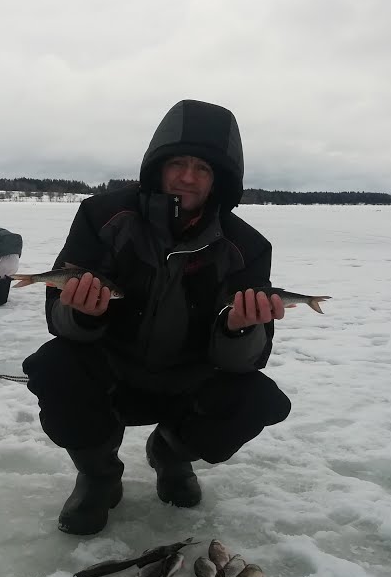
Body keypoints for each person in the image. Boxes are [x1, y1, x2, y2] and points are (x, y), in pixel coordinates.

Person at [21, 99, 292, 535]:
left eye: (202, 167)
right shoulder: (102, 216)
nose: (187, 176)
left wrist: (239, 329)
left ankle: (171, 452)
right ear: (157, 167)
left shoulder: (247, 246)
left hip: (189, 379)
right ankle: (98, 474)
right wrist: (83, 315)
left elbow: (245, 362)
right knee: (55, 366)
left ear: (219, 178)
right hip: (113, 372)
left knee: (258, 397)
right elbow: (60, 319)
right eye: (178, 163)